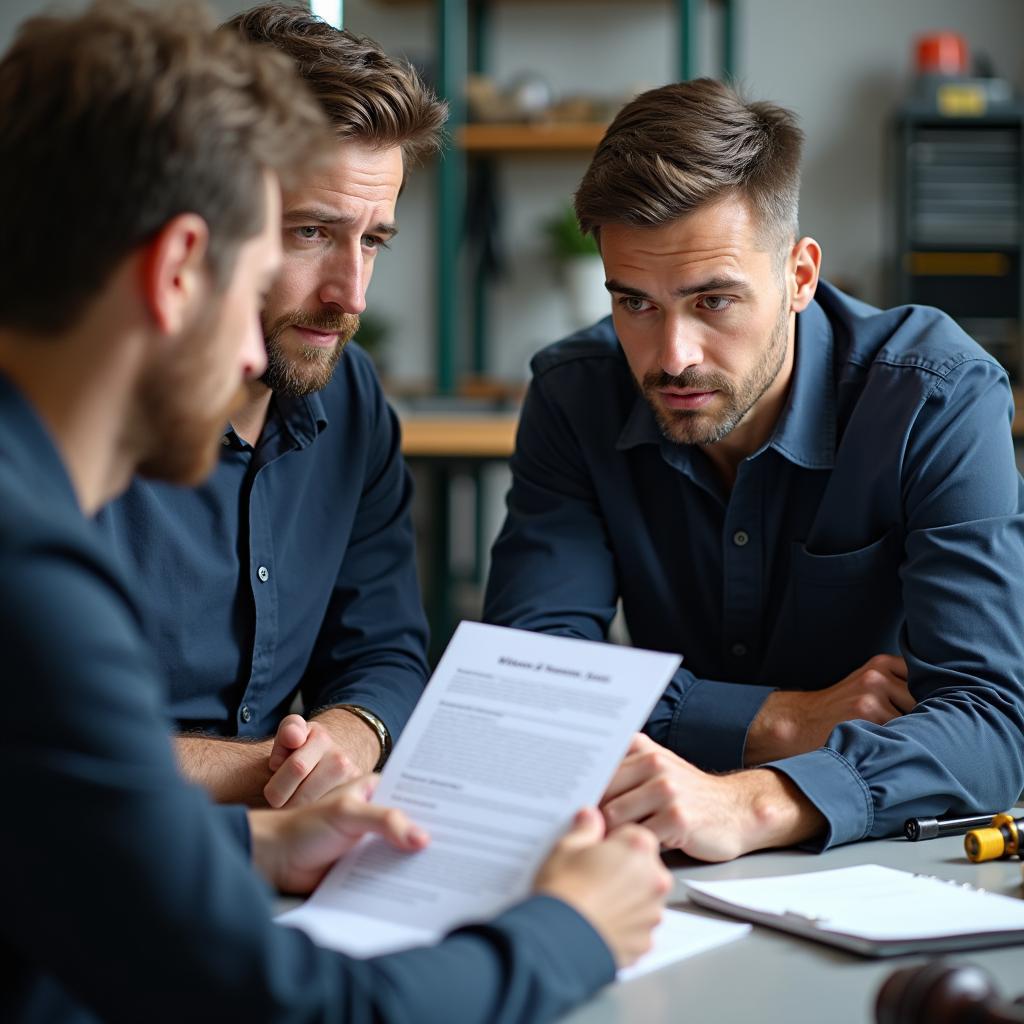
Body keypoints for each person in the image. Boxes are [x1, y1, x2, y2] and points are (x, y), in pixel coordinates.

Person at [0, 5, 670, 1021]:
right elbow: (294, 1009)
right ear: (181, 266)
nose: (343, 299)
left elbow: (39, 827)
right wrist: (569, 930)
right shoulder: (30, 563)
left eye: (372, 241)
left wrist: (250, 840)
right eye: (288, 243)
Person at [484, 78, 1024, 860]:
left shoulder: (933, 396)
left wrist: (755, 801)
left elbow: (990, 725)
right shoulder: (575, 395)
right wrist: (775, 719)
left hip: (884, 860)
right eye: (634, 303)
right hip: (654, 848)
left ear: (800, 277)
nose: (673, 357)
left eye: (713, 302)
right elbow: (529, 680)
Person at [99, 3, 440, 808]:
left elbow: (385, 648)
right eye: (311, 233)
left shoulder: (348, 394)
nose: (349, 295)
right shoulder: (67, 413)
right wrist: (267, 777)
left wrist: (350, 736)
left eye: (374, 240)